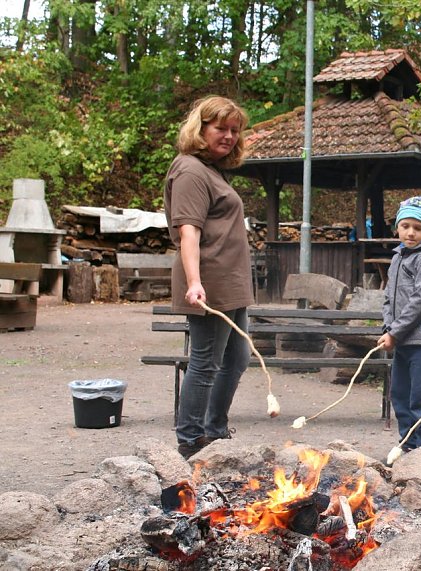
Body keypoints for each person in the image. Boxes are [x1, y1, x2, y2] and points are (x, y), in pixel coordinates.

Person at [164, 96, 255, 459]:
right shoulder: (189, 170)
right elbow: (189, 231)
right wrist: (194, 281)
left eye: (235, 130)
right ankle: (191, 439)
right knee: (205, 362)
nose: (229, 136)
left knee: (237, 359)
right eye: (221, 128)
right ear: (200, 129)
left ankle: (215, 429)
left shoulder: (212, 170)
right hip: (210, 282)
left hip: (232, 284)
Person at [377, 197, 421, 454]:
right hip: (402, 340)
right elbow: (388, 299)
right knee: (401, 395)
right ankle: (408, 445)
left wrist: (396, 332)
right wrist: (388, 329)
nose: (411, 232)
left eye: (418, 228)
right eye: (405, 226)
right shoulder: (398, 257)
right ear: (397, 227)